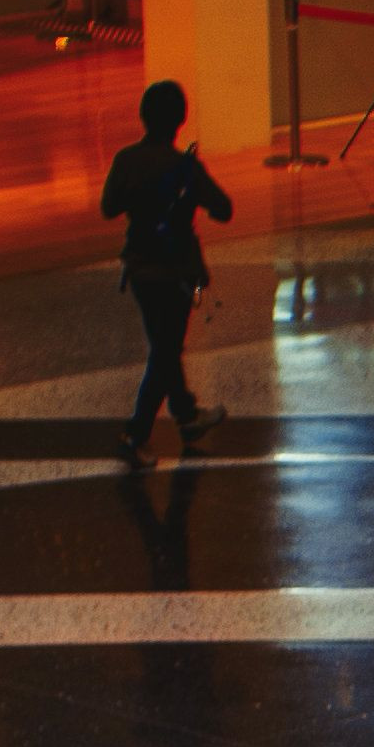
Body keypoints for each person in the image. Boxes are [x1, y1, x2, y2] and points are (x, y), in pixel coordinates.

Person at [99, 79, 232, 463]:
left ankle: (186, 415)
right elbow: (224, 209)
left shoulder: (125, 160)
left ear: (143, 116)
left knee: (164, 347)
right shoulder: (185, 167)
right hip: (176, 273)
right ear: (181, 120)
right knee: (166, 352)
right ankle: (135, 434)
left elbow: (109, 208)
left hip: (140, 270)